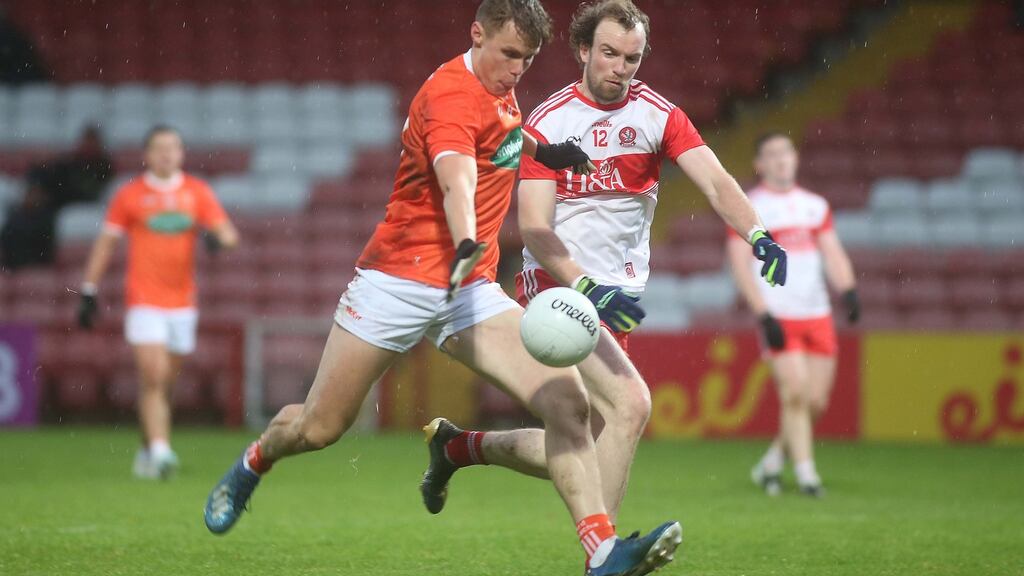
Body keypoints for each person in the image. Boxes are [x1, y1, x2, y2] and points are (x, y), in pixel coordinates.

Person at [202, 2, 681, 574]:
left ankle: (601, 552)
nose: (515, 70)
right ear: (475, 34)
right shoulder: (449, 98)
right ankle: (256, 459)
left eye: (526, 60)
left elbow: (501, 128)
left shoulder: (500, 82)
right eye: (507, 55)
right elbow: (458, 179)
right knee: (319, 427)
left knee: (569, 405)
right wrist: (464, 241)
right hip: (399, 281)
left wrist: (541, 150)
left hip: (469, 290)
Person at [419, 0, 787, 538]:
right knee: (633, 406)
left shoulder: (657, 115)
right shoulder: (549, 121)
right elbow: (536, 229)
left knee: (580, 448)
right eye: (610, 53)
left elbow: (715, 181)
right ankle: (604, 554)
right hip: (558, 291)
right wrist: (587, 286)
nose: (620, 67)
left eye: (632, 58)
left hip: (616, 299)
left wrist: (757, 232)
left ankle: (458, 447)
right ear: (584, 50)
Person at [78, 125, 239, 479]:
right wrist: (88, 289)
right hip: (144, 300)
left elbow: (228, 234)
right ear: (146, 155)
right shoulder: (129, 195)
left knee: (163, 384)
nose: (167, 154)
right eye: (160, 148)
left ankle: (147, 447)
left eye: (173, 148)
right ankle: (164, 453)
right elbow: (106, 243)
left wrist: (217, 240)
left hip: (183, 304)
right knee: (153, 376)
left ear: (181, 154)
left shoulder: (196, 192)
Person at [727, 132, 860, 497]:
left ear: (795, 158)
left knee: (816, 401)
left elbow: (832, 252)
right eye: (772, 154)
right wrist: (762, 313)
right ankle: (806, 474)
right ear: (759, 165)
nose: (781, 160)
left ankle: (772, 462)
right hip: (779, 312)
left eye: (786, 152)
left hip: (817, 312)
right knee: (796, 394)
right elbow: (739, 262)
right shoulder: (749, 207)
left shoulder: (814, 206)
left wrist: (847, 289)